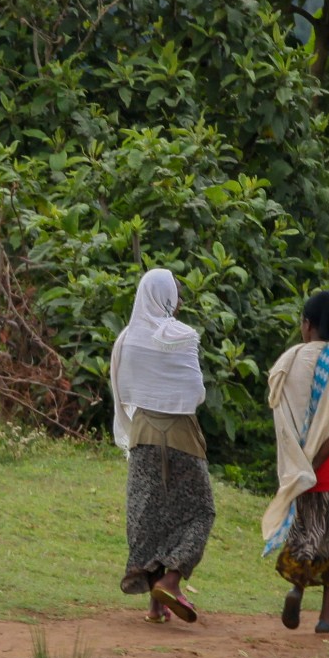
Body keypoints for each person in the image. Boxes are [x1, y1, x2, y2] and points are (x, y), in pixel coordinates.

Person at [111, 267, 215, 624]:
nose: (181, 303)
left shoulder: (126, 339)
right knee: (200, 511)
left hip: (142, 436)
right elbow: (195, 393)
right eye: (178, 295)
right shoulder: (182, 336)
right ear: (168, 298)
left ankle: (156, 605)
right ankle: (171, 581)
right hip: (182, 436)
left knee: (149, 515)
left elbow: (123, 389)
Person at [260, 291, 329, 633]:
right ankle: (326, 618)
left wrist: (302, 466)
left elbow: (282, 415)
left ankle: (296, 589)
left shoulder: (287, 363)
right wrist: (318, 463)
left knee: (307, 531)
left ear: (307, 324)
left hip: (303, 467)